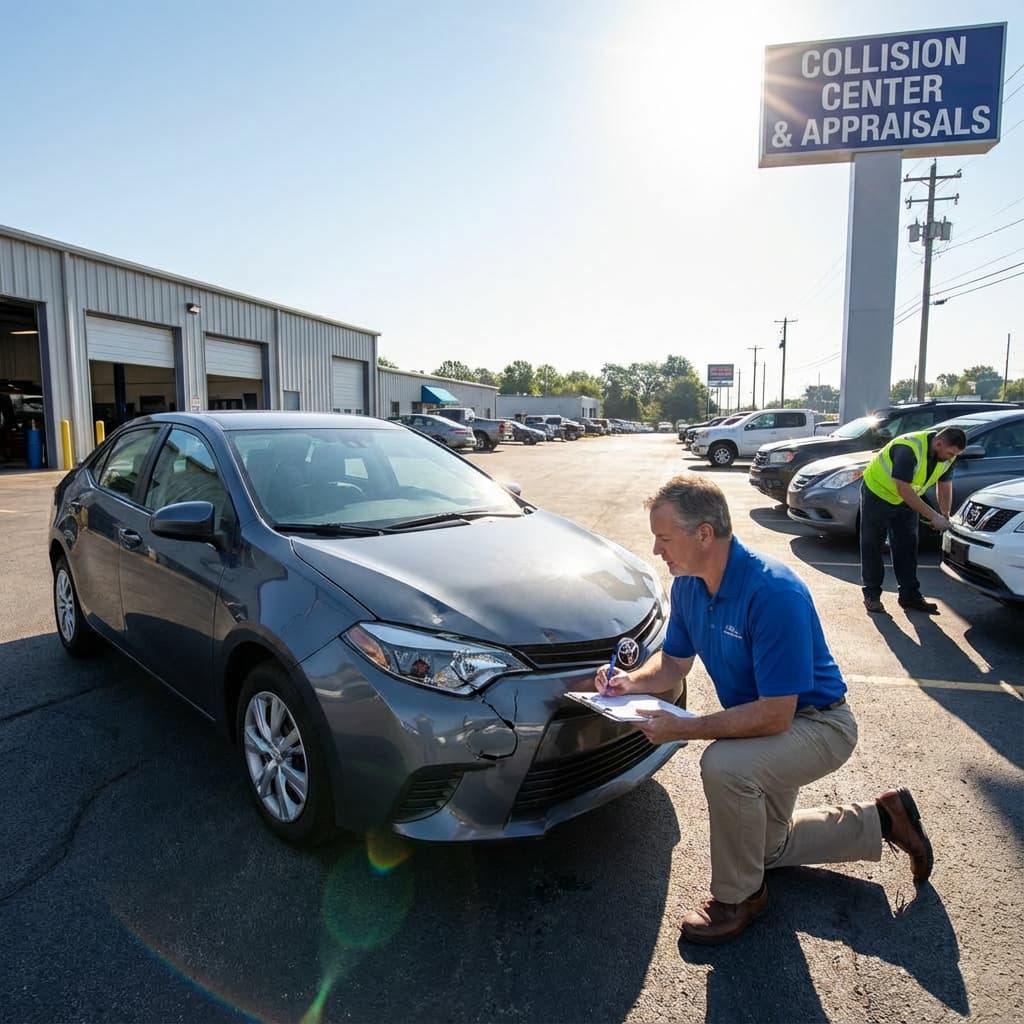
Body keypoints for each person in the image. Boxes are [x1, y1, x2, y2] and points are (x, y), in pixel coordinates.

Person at [595, 474, 933, 945]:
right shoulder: (690, 587)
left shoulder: (772, 591)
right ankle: (881, 820)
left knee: (724, 766)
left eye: (664, 537)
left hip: (818, 724)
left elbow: (776, 714)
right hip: (773, 726)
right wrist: (627, 683)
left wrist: (683, 728)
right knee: (765, 847)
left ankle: (738, 899)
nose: (656, 549)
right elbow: (673, 662)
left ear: (704, 534)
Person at [859, 425, 966, 615]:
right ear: (939, 442)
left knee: (907, 545)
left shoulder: (949, 455)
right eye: (949, 452)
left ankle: (909, 596)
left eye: (954, 454)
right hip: (878, 493)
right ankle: (872, 595)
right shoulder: (908, 448)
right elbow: (903, 488)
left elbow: (945, 484)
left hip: (906, 499)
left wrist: (945, 515)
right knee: (872, 544)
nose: (951, 457)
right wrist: (933, 516)